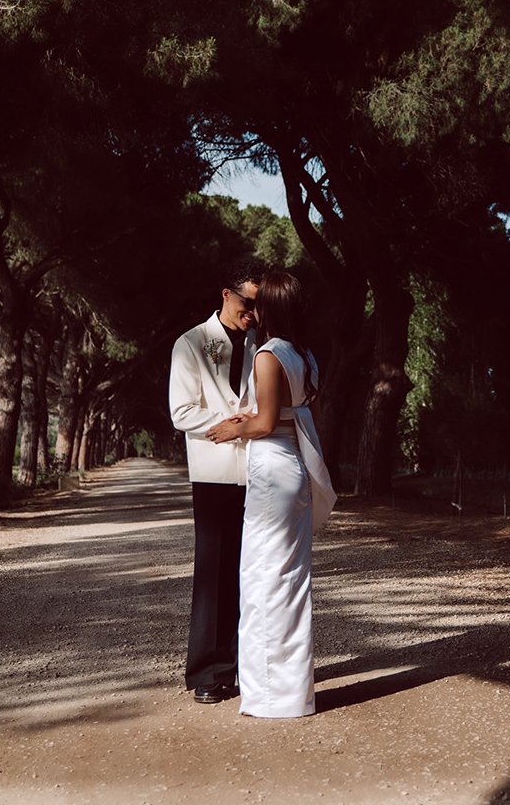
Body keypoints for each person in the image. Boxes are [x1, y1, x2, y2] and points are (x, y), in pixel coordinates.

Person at [206, 271, 336, 718]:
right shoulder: (306, 356)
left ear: (270, 310)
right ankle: (293, 691)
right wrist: (257, 417)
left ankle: (270, 697)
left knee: (263, 579)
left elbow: (264, 424)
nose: (252, 310)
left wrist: (231, 428)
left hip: (271, 471)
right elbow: (293, 412)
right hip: (295, 467)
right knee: (291, 580)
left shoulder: (266, 355)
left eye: (258, 304)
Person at [169, 259, 264, 704]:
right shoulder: (190, 343)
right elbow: (181, 412)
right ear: (226, 294)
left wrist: (252, 424)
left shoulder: (261, 343)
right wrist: (232, 421)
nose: (253, 315)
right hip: (213, 472)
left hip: (256, 471)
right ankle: (207, 674)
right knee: (213, 574)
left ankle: (242, 668)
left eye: (258, 308)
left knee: (249, 574)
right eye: (248, 304)